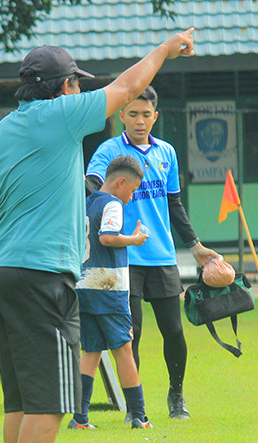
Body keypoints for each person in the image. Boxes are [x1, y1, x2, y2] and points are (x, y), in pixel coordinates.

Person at [0, 28, 197, 443]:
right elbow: (127, 88)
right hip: (41, 274)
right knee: (54, 398)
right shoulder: (62, 116)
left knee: (21, 399)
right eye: (76, 83)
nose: (80, 90)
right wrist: (165, 49)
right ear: (65, 86)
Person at [86, 85, 220, 419]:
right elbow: (91, 186)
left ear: (155, 116)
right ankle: (135, 409)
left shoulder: (167, 153)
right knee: (131, 334)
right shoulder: (109, 150)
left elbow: (174, 204)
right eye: (133, 114)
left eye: (146, 115)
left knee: (173, 330)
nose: (139, 121)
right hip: (123, 258)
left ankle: (177, 395)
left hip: (162, 256)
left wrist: (195, 245)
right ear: (121, 116)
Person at [70, 155, 153, 430]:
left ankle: (80, 418)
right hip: (108, 286)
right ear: (121, 182)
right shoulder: (113, 204)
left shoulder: (88, 202)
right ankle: (139, 416)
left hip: (84, 284)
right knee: (123, 349)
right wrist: (135, 239)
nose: (131, 197)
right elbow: (107, 237)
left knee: (91, 350)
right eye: (132, 189)